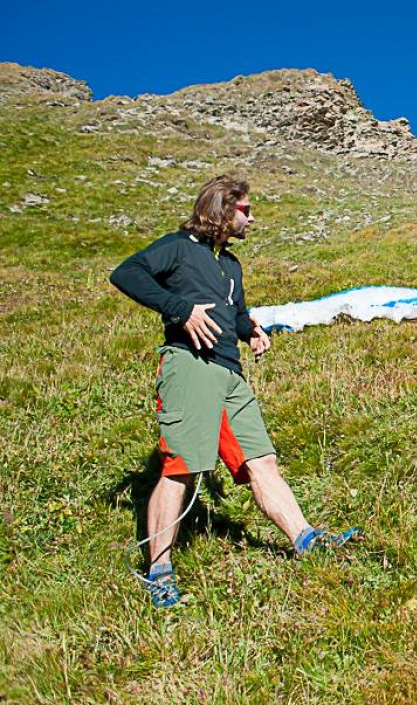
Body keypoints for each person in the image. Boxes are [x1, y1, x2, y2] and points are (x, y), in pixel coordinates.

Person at [110, 175, 359, 608]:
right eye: (246, 209)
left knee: (262, 460)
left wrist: (252, 331)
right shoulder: (178, 247)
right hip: (190, 365)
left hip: (230, 372)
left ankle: (307, 539)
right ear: (223, 209)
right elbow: (126, 273)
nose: (252, 217)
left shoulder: (231, 264)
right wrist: (179, 308)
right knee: (181, 466)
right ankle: (160, 573)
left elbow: (237, 312)